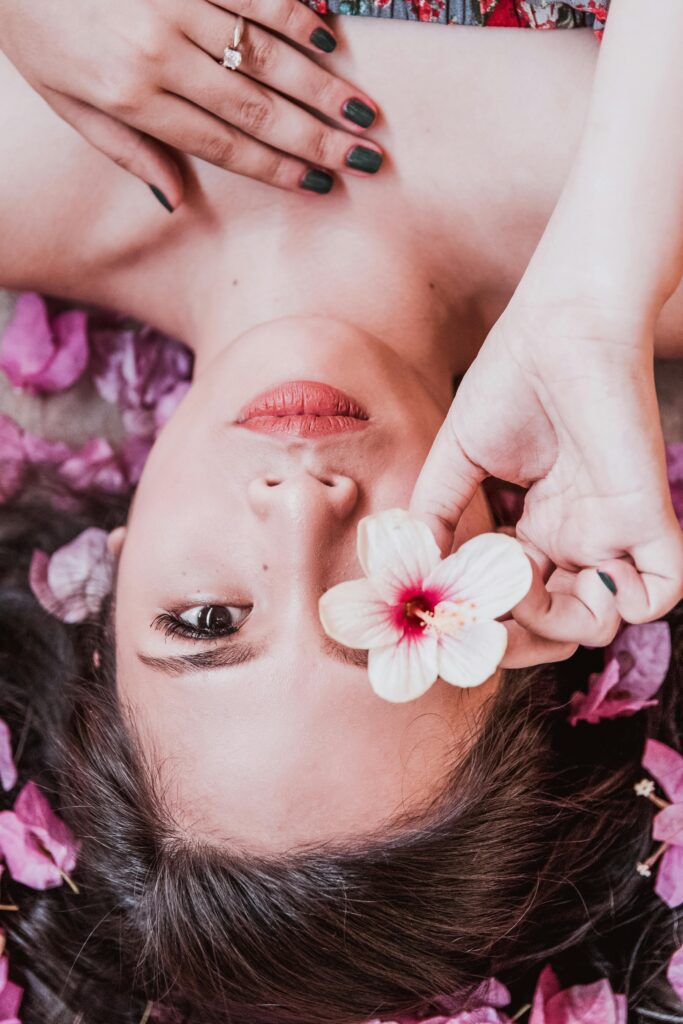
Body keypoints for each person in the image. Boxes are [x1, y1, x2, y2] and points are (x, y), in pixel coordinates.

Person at [0, 8, 681, 1023]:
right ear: (510, 601)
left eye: (204, 622)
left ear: (110, 585)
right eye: (380, 624)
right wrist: (599, 285)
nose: (300, 508)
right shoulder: (631, 248)